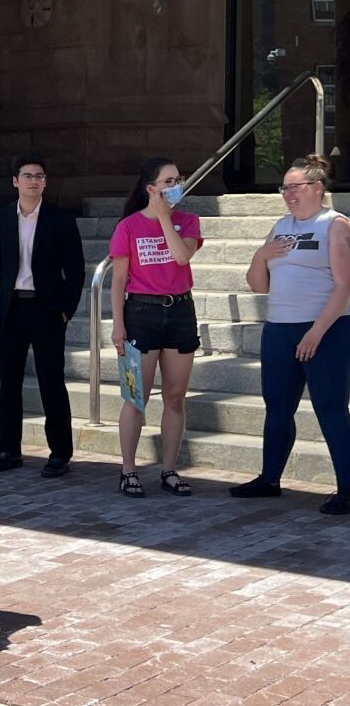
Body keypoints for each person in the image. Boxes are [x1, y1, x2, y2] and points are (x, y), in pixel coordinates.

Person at [230, 155, 350, 515]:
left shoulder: (335, 224)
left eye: (294, 187)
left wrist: (316, 332)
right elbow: (257, 285)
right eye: (284, 188)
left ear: (317, 188)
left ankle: (347, 488)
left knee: (330, 408)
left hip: (326, 330)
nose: (288, 194)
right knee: (277, 408)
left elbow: (345, 286)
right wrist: (261, 255)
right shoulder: (280, 226)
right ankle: (269, 479)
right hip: (280, 329)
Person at [0, 152, 85, 477]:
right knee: (8, 383)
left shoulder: (60, 219)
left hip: (47, 310)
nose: (33, 181)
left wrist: (66, 310)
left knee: (51, 381)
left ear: (45, 182)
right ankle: (9, 450)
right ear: (15, 181)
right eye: (27, 176)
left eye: (39, 176)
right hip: (9, 309)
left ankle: (60, 454)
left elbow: (77, 270)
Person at [109, 157, 203, 497]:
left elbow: (182, 257)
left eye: (178, 179)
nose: (176, 185)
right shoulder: (129, 227)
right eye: (168, 181)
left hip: (179, 311)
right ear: (151, 188)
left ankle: (169, 468)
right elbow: (118, 281)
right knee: (137, 396)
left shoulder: (188, 220)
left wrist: (166, 219)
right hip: (141, 314)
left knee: (175, 396)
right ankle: (129, 469)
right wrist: (118, 325)